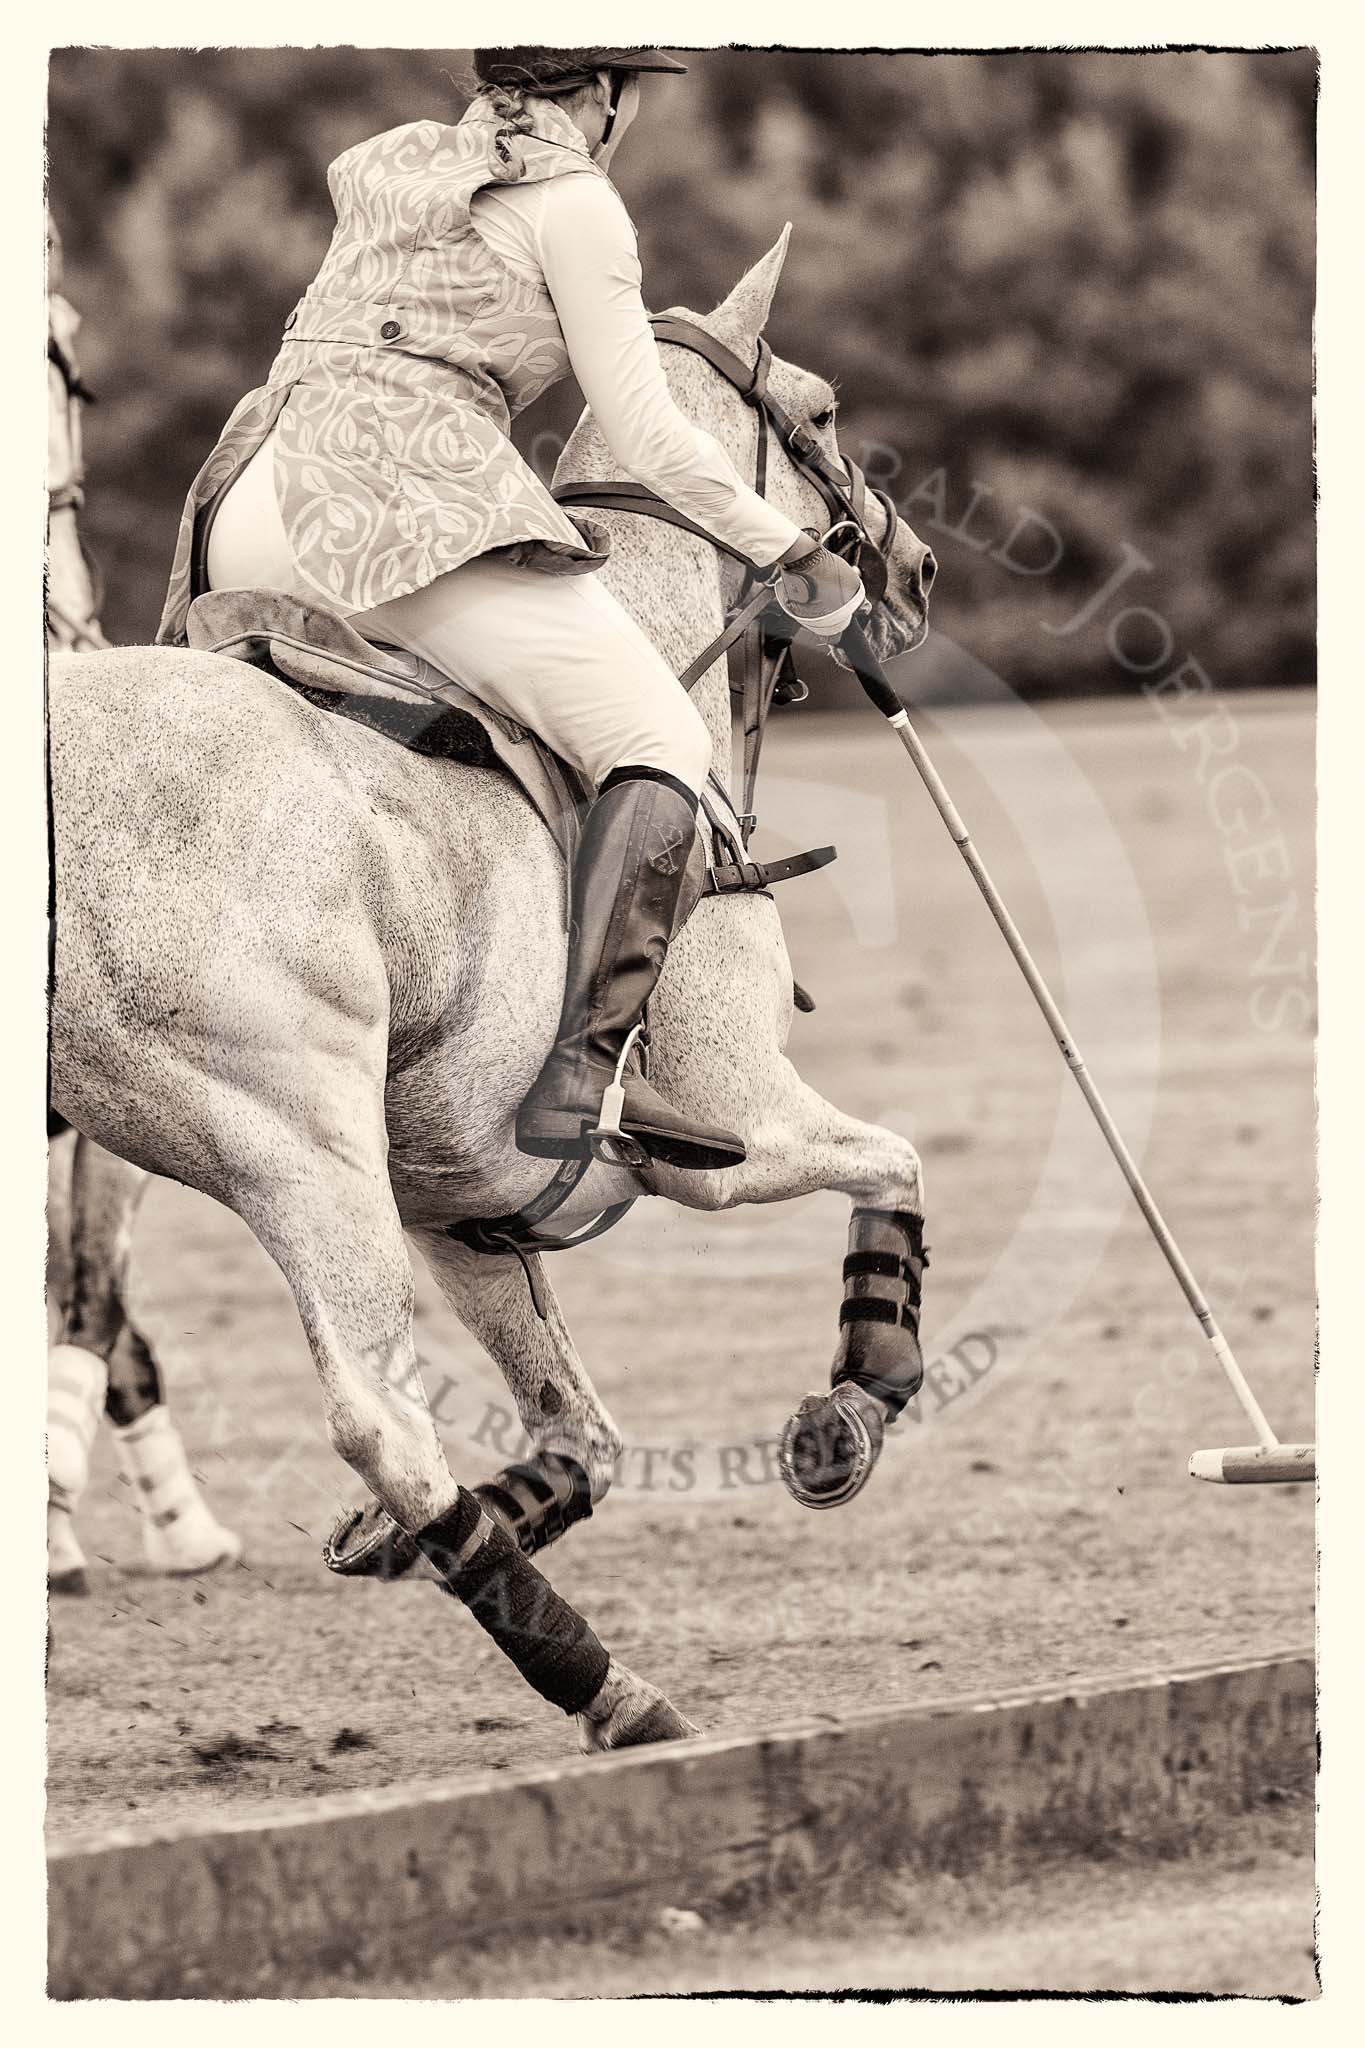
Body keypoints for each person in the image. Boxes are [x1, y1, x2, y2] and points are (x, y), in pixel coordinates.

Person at [158, 47, 864, 1172]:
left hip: (244, 502)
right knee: (661, 736)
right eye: (631, 89)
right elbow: (643, 431)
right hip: (385, 505)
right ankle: (586, 1077)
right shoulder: (576, 200)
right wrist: (790, 547)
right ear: (602, 93)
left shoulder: (402, 162)